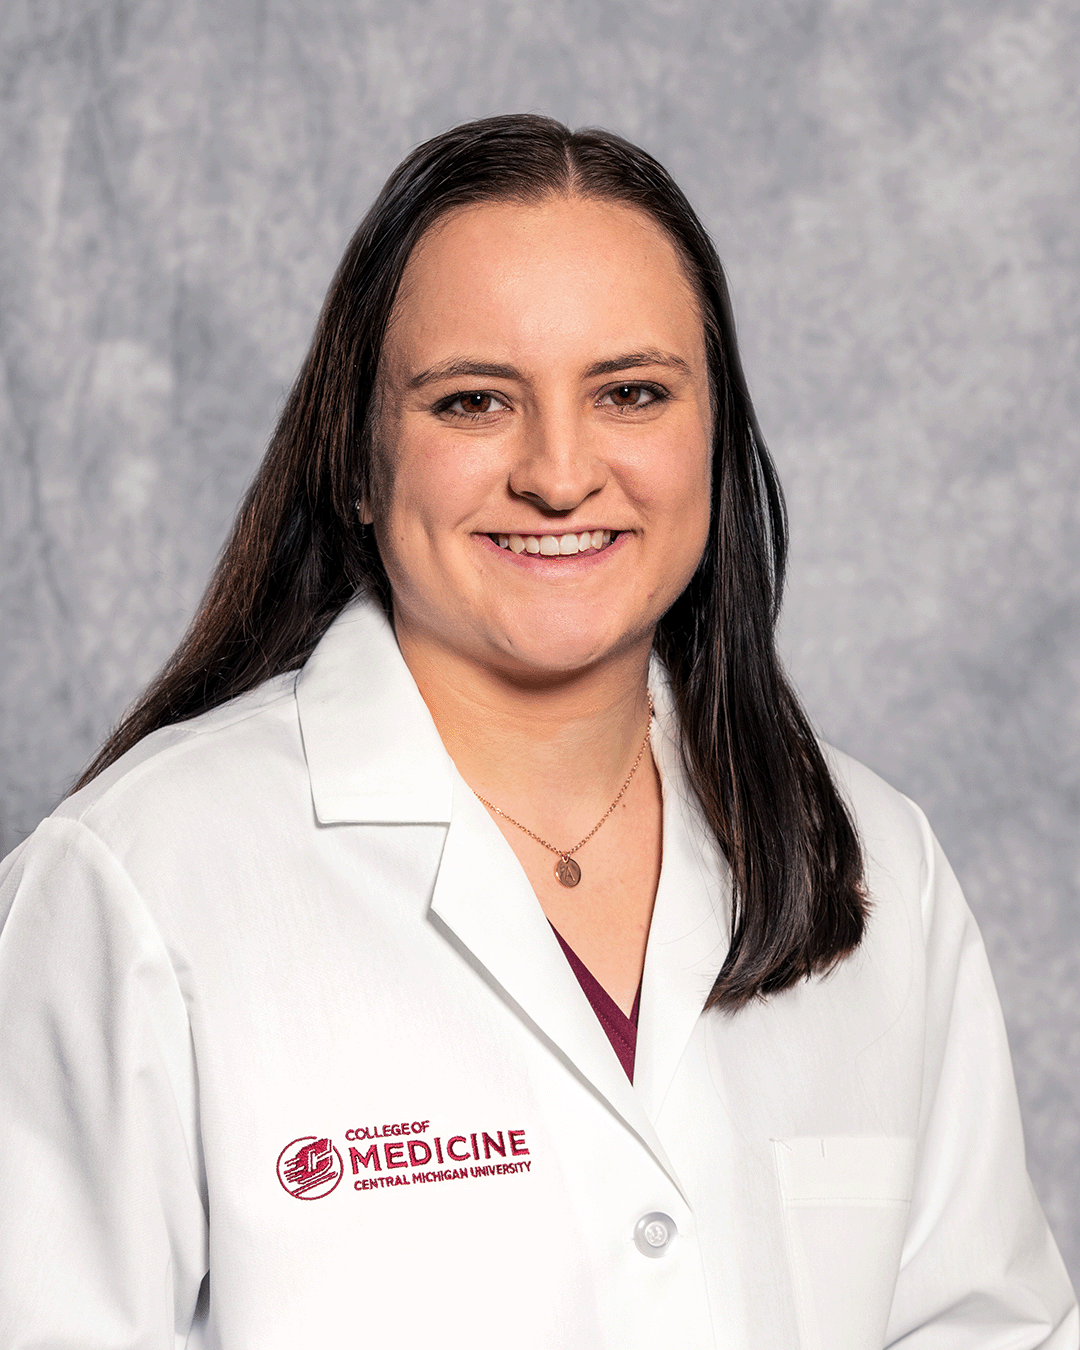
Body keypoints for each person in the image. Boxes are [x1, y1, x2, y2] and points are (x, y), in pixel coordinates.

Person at [0, 114, 1074, 1349]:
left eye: (632, 393)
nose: (560, 475)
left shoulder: (873, 860)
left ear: (714, 441)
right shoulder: (136, 889)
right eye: (474, 401)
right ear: (358, 458)